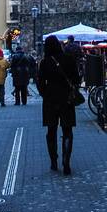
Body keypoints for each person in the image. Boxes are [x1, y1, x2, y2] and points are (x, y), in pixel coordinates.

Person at [37, 34, 79, 175]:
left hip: (50, 99)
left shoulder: (44, 62)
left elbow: (40, 83)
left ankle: (54, 161)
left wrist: (45, 94)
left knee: (51, 130)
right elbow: (77, 78)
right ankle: (66, 161)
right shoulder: (68, 59)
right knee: (67, 130)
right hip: (66, 98)